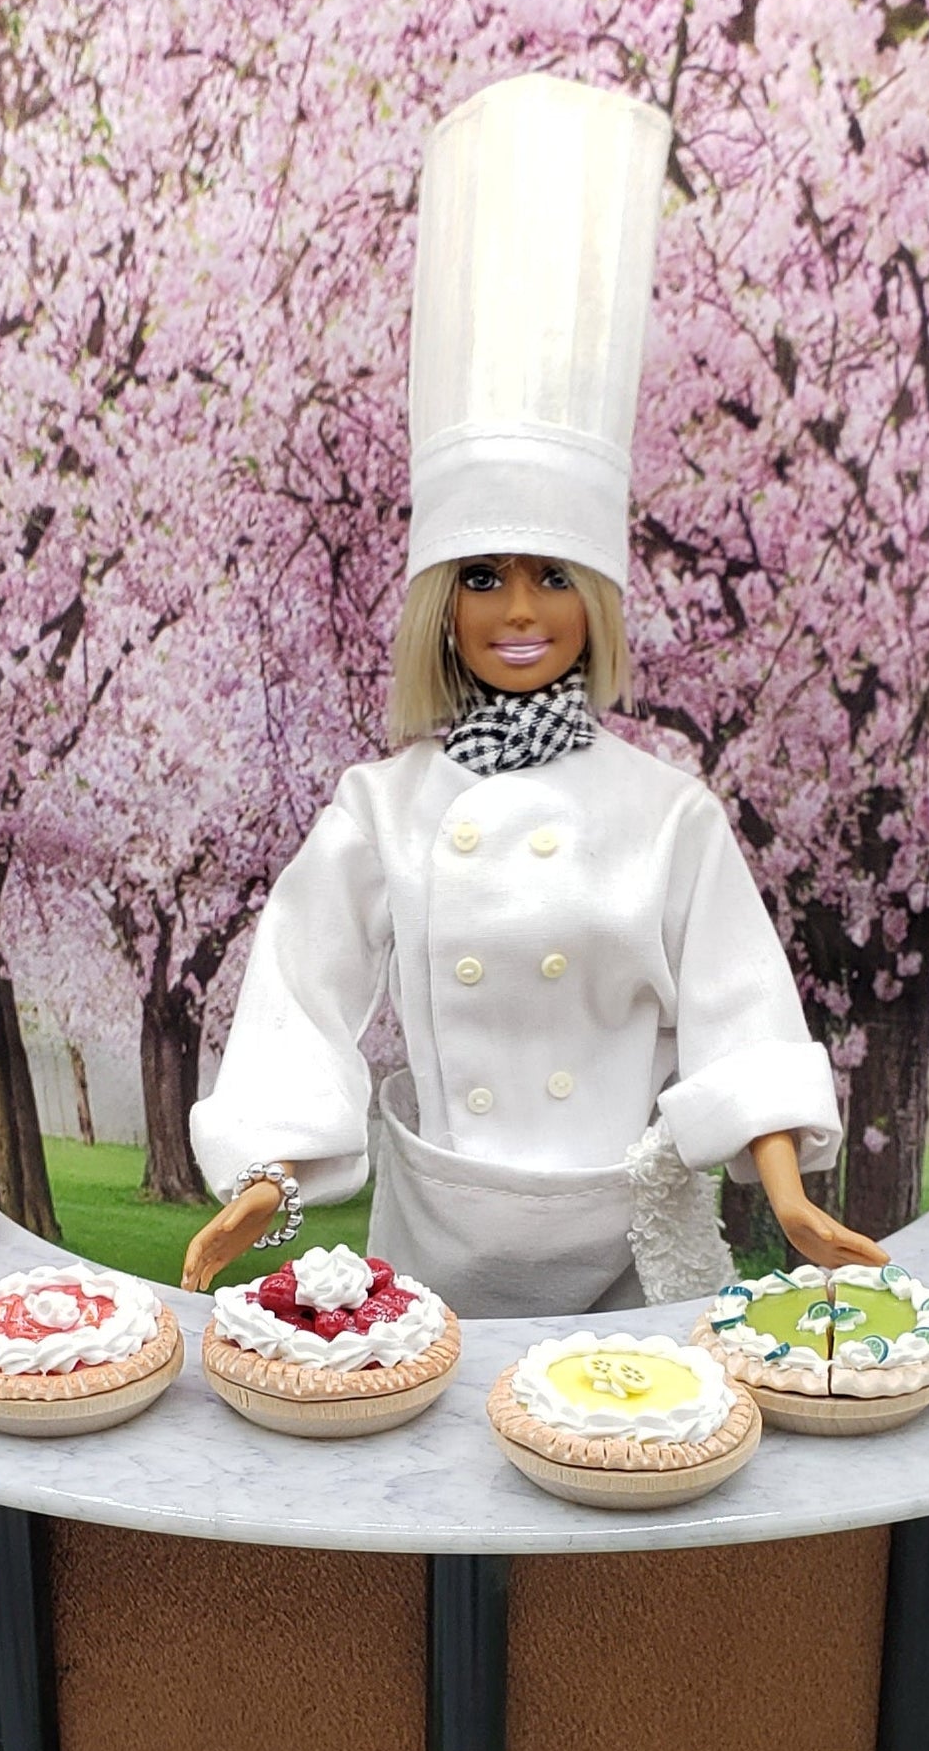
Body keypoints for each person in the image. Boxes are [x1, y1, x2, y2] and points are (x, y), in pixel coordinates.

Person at [182, 74, 886, 1316]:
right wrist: (265, 1179)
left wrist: (784, 1195)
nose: (518, 611)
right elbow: (301, 982)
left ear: (596, 600)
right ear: (440, 606)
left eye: (552, 578)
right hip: (437, 1239)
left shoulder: (664, 812)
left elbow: (739, 1011)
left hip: (624, 1246)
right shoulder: (385, 806)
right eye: (484, 578)